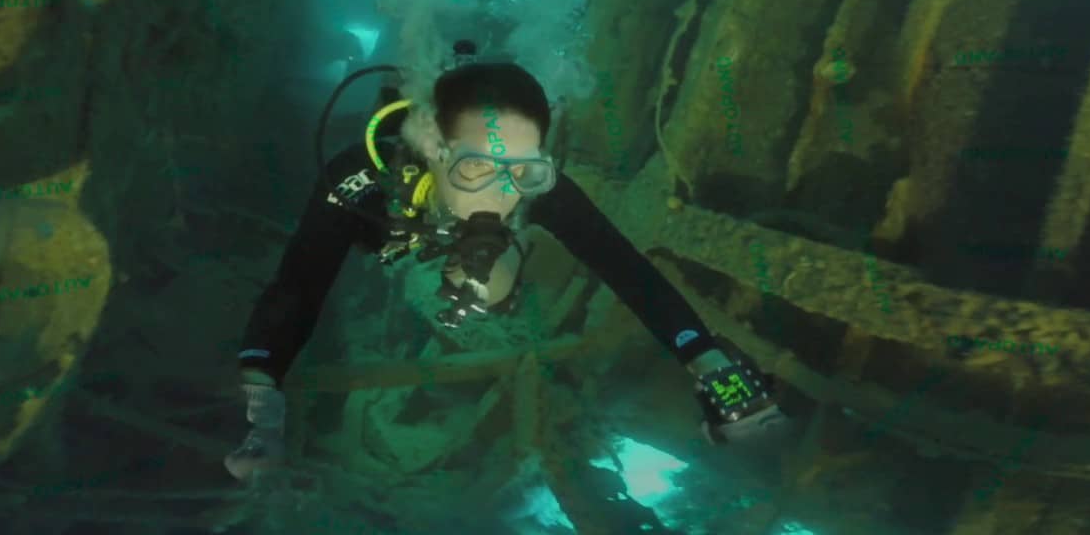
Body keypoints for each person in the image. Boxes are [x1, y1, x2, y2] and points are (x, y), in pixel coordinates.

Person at [224, 45, 788, 481]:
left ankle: (477, 281)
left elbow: (627, 271)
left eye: (523, 173)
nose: (500, 194)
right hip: (394, 230)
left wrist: (709, 363)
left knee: (489, 289)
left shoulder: (540, 191)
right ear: (432, 147)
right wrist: (261, 400)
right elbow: (298, 285)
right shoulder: (361, 178)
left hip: (466, 251)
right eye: (475, 170)